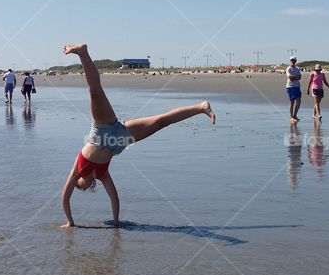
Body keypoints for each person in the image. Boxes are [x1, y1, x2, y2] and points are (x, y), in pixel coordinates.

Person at [59, 44, 215, 228]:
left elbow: (65, 195)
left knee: (95, 92)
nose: (81, 188)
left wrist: (70, 221)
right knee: (161, 122)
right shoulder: (102, 176)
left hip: (102, 128)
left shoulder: (78, 168)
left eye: (79, 187)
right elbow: (114, 198)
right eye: (84, 189)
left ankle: (83, 53)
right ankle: (201, 107)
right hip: (120, 137)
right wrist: (116, 222)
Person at [285, 56, 302, 123]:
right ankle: (291, 116)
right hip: (290, 86)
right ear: (290, 60)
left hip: (297, 86)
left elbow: (300, 77)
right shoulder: (288, 69)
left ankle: (295, 115)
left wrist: (294, 77)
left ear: (296, 61)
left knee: (298, 101)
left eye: (294, 60)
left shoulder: (297, 68)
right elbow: (290, 78)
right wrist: (296, 77)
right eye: (292, 60)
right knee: (292, 102)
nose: (293, 61)